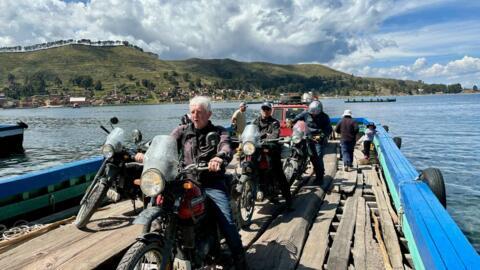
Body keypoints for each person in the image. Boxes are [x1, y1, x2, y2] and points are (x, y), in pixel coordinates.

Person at [136, 96, 246, 269]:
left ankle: (240, 260)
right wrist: (147, 153)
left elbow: (225, 146)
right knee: (161, 201)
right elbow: (166, 144)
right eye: (193, 111)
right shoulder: (182, 131)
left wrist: (218, 157)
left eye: (200, 112)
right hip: (184, 181)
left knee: (227, 222)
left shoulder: (219, 132)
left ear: (209, 114)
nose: (195, 115)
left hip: (211, 183)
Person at [252, 102, 293, 208]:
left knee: (278, 173)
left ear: (271, 111)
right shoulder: (256, 121)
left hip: (271, 150)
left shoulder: (274, 122)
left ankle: (288, 200)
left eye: (267, 109)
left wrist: (265, 137)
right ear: (261, 110)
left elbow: (275, 134)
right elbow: (251, 133)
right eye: (263, 109)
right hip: (258, 149)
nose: (265, 111)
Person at [290, 100, 332, 182]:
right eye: (311, 112)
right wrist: (291, 121)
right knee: (296, 150)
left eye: (314, 113)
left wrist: (320, 136)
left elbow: (328, 130)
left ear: (319, 111)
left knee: (317, 158)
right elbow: (297, 118)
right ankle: (297, 171)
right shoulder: (306, 113)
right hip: (306, 136)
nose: (312, 114)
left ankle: (320, 177)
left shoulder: (325, 117)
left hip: (318, 139)